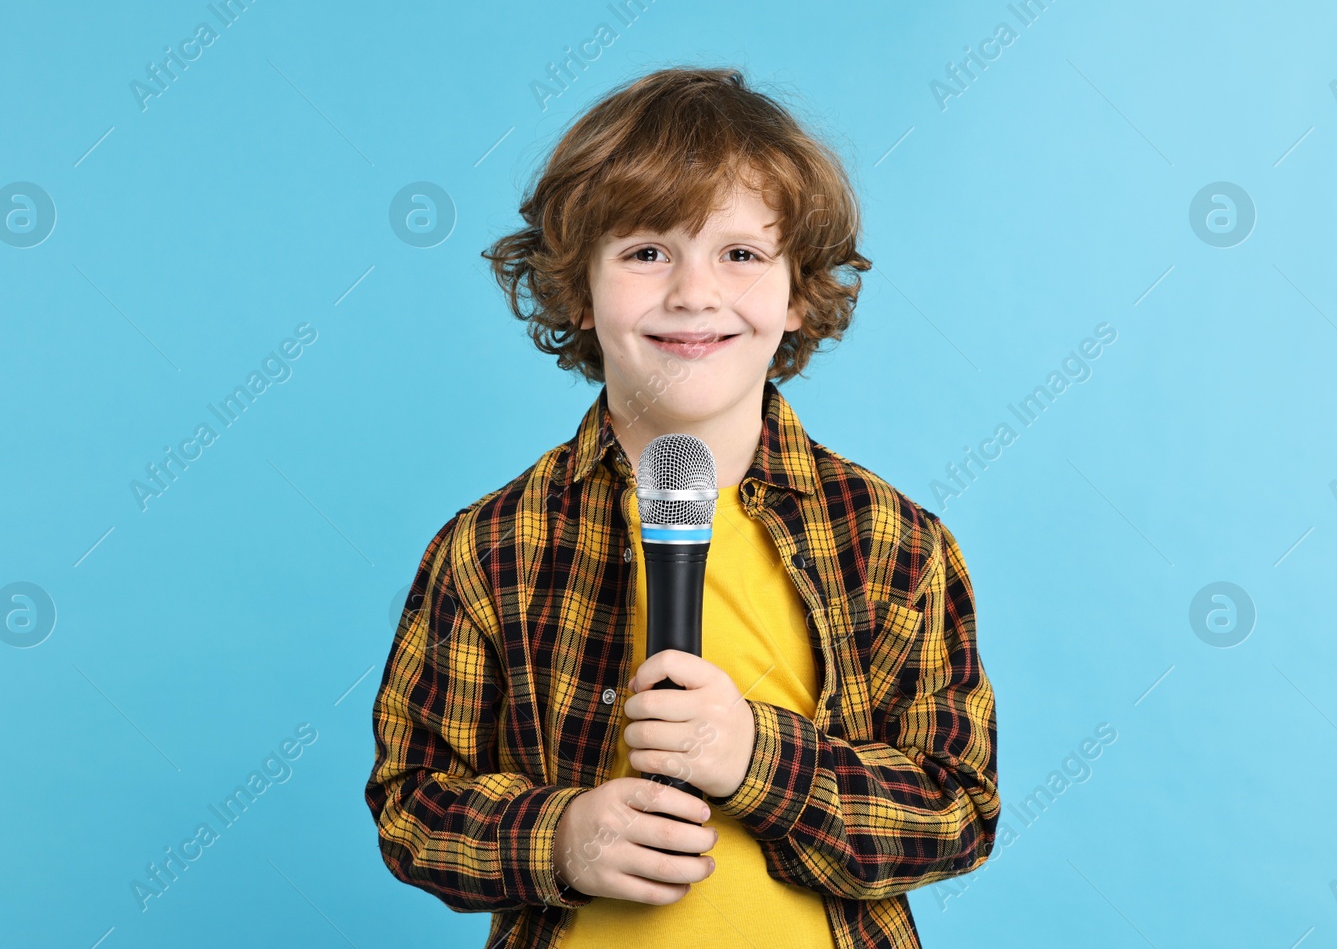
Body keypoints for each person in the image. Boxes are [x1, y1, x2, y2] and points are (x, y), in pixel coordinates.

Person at [364, 66, 999, 949]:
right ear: (579, 291)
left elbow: (957, 806)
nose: (693, 293)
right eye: (646, 251)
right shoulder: (491, 545)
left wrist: (758, 758)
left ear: (798, 291)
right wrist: (560, 837)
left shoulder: (892, 541)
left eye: (739, 253)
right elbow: (413, 802)